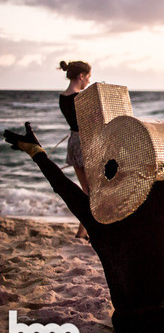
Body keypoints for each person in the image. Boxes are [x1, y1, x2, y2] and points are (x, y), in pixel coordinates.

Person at [4, 81, 164, 333]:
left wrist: (37, 152)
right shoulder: (155, 206)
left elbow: (62, 186)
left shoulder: (95, 215)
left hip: (124, 324)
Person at [58, 60, 92, 239]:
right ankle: (82, 232)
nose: (88, 81)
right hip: (84, 143)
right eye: (88, 77)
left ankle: (83, 231)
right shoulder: (81, 98)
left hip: (73, 142)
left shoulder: (63, 97)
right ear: (81, 76)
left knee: (86, 189)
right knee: (91, 191)